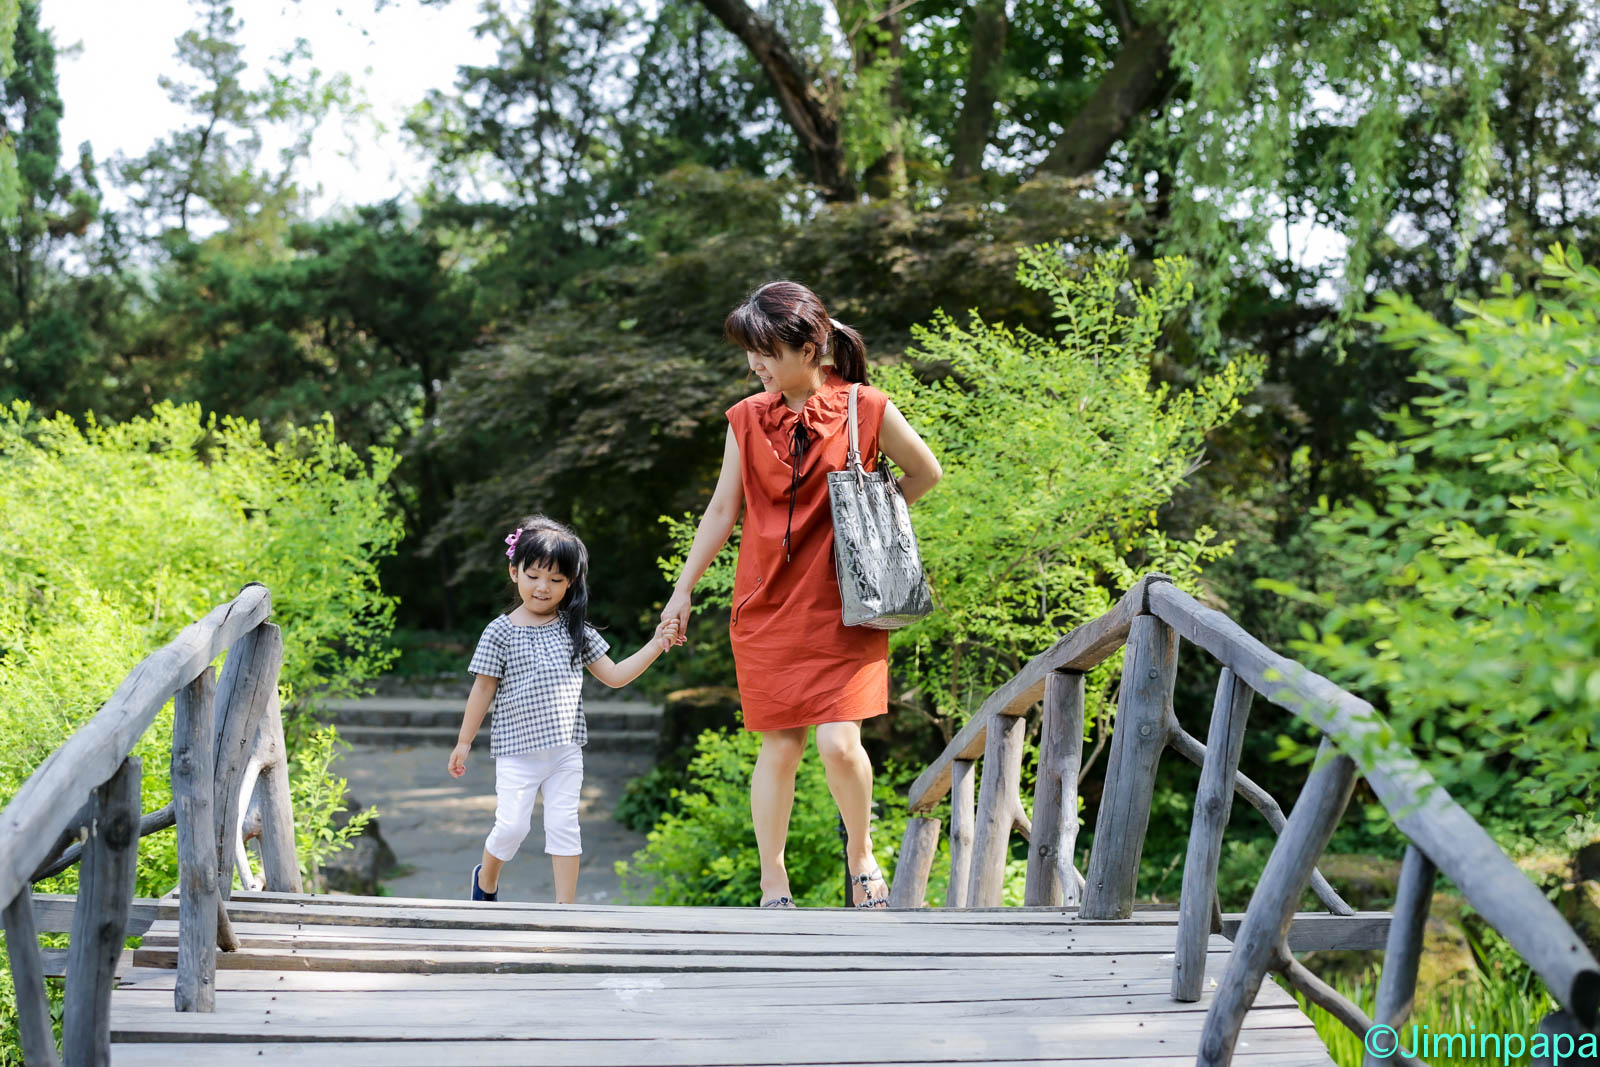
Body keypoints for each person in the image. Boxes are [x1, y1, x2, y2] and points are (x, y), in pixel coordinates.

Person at [661, 281, 943, 910]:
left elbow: (926, 471)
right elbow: (721, 511)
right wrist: (683, 591)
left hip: (846, 602)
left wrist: (872, 521)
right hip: (766, 607)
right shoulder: (745, 417)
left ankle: (861, 851)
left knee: (838, 743)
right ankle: (773, 884)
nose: (754, 365)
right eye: (749, 353)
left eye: (763, 351)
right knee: (781, 745)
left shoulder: (866, 407)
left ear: (810, 347)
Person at [450, 515, 678, 904]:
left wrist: (656, 644)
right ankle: (485, 880)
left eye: (556, 580)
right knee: (511, 828)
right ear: (514, 571)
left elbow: (616, 675)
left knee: (564, 826)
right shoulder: (499, 631)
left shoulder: (575, 629)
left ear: (570, 582)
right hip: (516, 753)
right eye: (534, 575)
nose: (543, 587)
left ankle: (565, 910)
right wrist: (463, 742)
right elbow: (482, 688)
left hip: (565, 751)